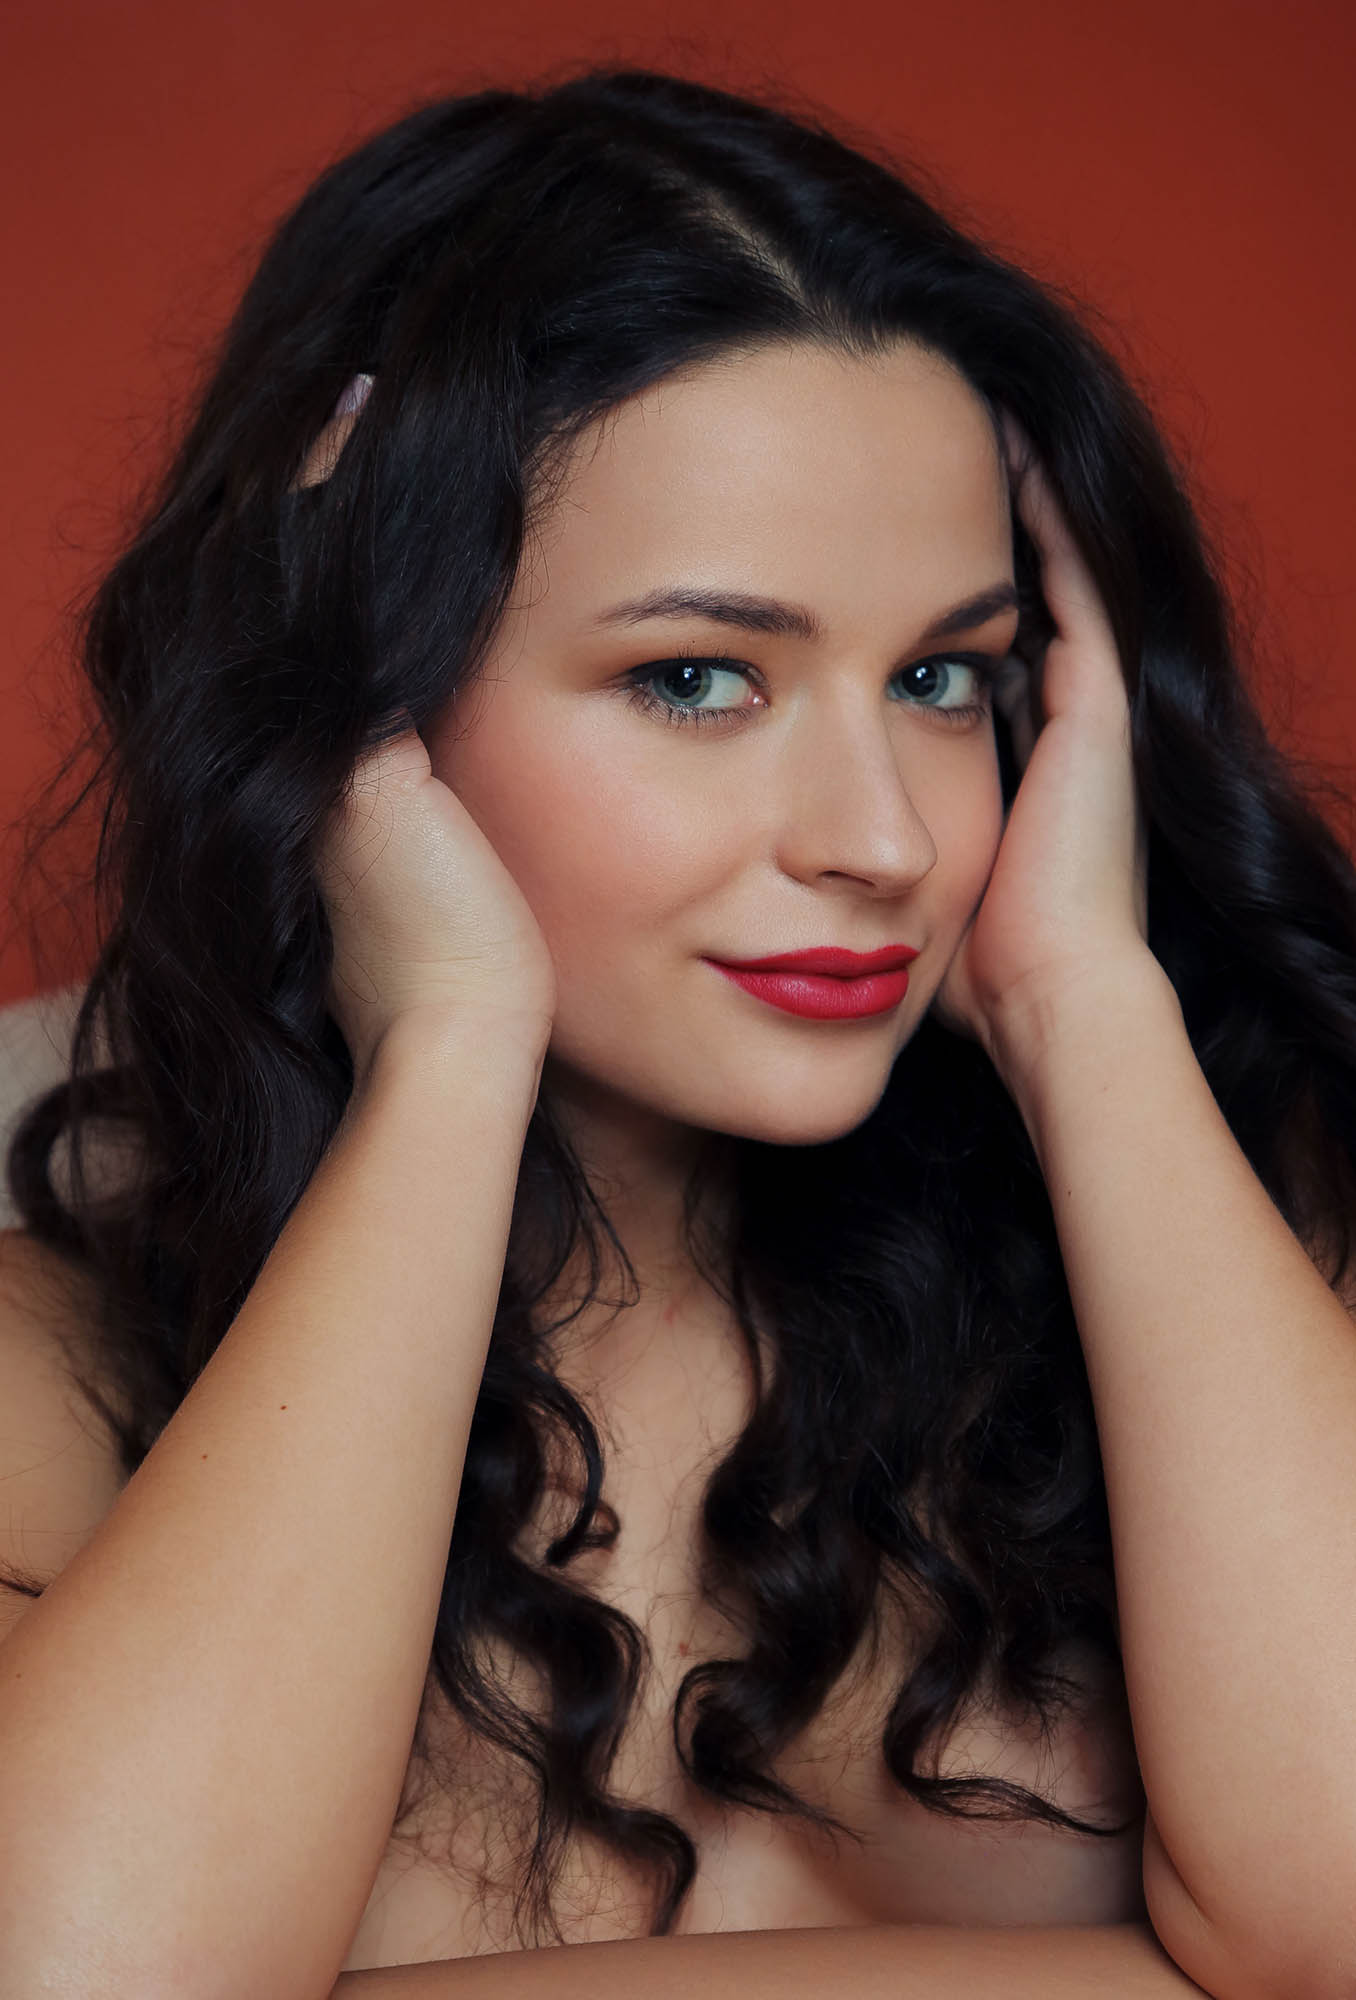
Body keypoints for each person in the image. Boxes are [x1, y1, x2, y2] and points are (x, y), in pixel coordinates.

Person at [0, 63, 1353, 2000]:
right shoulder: (51, 1386)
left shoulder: (1239, 1247)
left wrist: (1085, 1003)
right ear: (368, 702)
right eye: (701, 678)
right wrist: (450, 1046)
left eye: (945, 678)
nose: (885, 841)